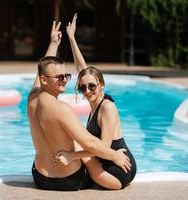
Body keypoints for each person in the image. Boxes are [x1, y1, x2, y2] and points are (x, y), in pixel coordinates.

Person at [27, 20, 131, 191]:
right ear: (45, 80)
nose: (64, 81)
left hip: (40, 177)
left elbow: (42, 72)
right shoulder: (61, 108)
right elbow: (89, 143)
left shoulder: (32, 98)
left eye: (65, 76)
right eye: (59, 77)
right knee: (79, 144)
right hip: (69, 180)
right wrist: (114, 156)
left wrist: (53, 44)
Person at [53, 14, 136, 190]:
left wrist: (72, 156)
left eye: (92, 86)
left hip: (117, 171)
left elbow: (104, 148)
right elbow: (83, 70)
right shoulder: (94, 103)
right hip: (107, 162)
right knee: (76, 138)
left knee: (77, 143)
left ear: (102, 85)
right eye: (83, 88)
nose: (87, 91)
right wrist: (71, 37)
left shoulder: (107, 107)